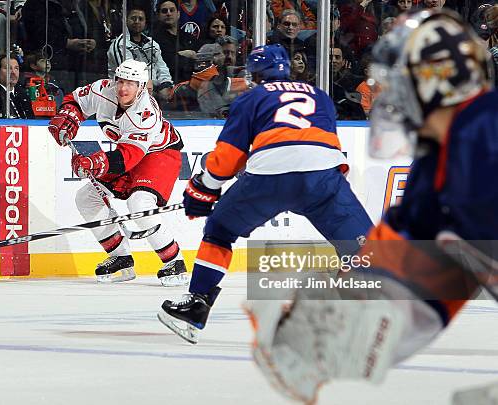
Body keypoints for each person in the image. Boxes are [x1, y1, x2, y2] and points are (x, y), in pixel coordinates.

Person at [245, 10, 497, 404]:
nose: (391, 94)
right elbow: (423, 271)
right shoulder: (437, 163)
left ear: (437, 82)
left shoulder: (483, 130)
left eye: (402, 81)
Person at [158, 44, 373, 344]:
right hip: (324, 176)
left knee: (219, 231)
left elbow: (227, 157)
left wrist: (205, 187)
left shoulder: (252, 97)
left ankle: (196, 306)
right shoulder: (320, 96)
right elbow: (315, 144)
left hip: (269, 178)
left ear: (255, 75)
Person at [47, 59, 188, 286]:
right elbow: (74, 100)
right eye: (120, 81)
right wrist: (68, 116)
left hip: (159, 154)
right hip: (127, 152)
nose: (123, 88)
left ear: (142, 86)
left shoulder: (145, 114)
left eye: (130, 83)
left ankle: (174, 261)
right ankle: (120, 257)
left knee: (139, 203)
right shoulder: (103, 90)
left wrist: (95, 163)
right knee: (86, 198)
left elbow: (128, 157)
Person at [107, 6, 174, 103]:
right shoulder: (120, 45)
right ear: (126, 21)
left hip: (154, 90)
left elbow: (162, 67)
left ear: (145, 22)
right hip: (126, 95)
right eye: (133, 18)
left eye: (141, 19)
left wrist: (166, 85)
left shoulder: (152, 44)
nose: (137, 21)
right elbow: (128, 75)